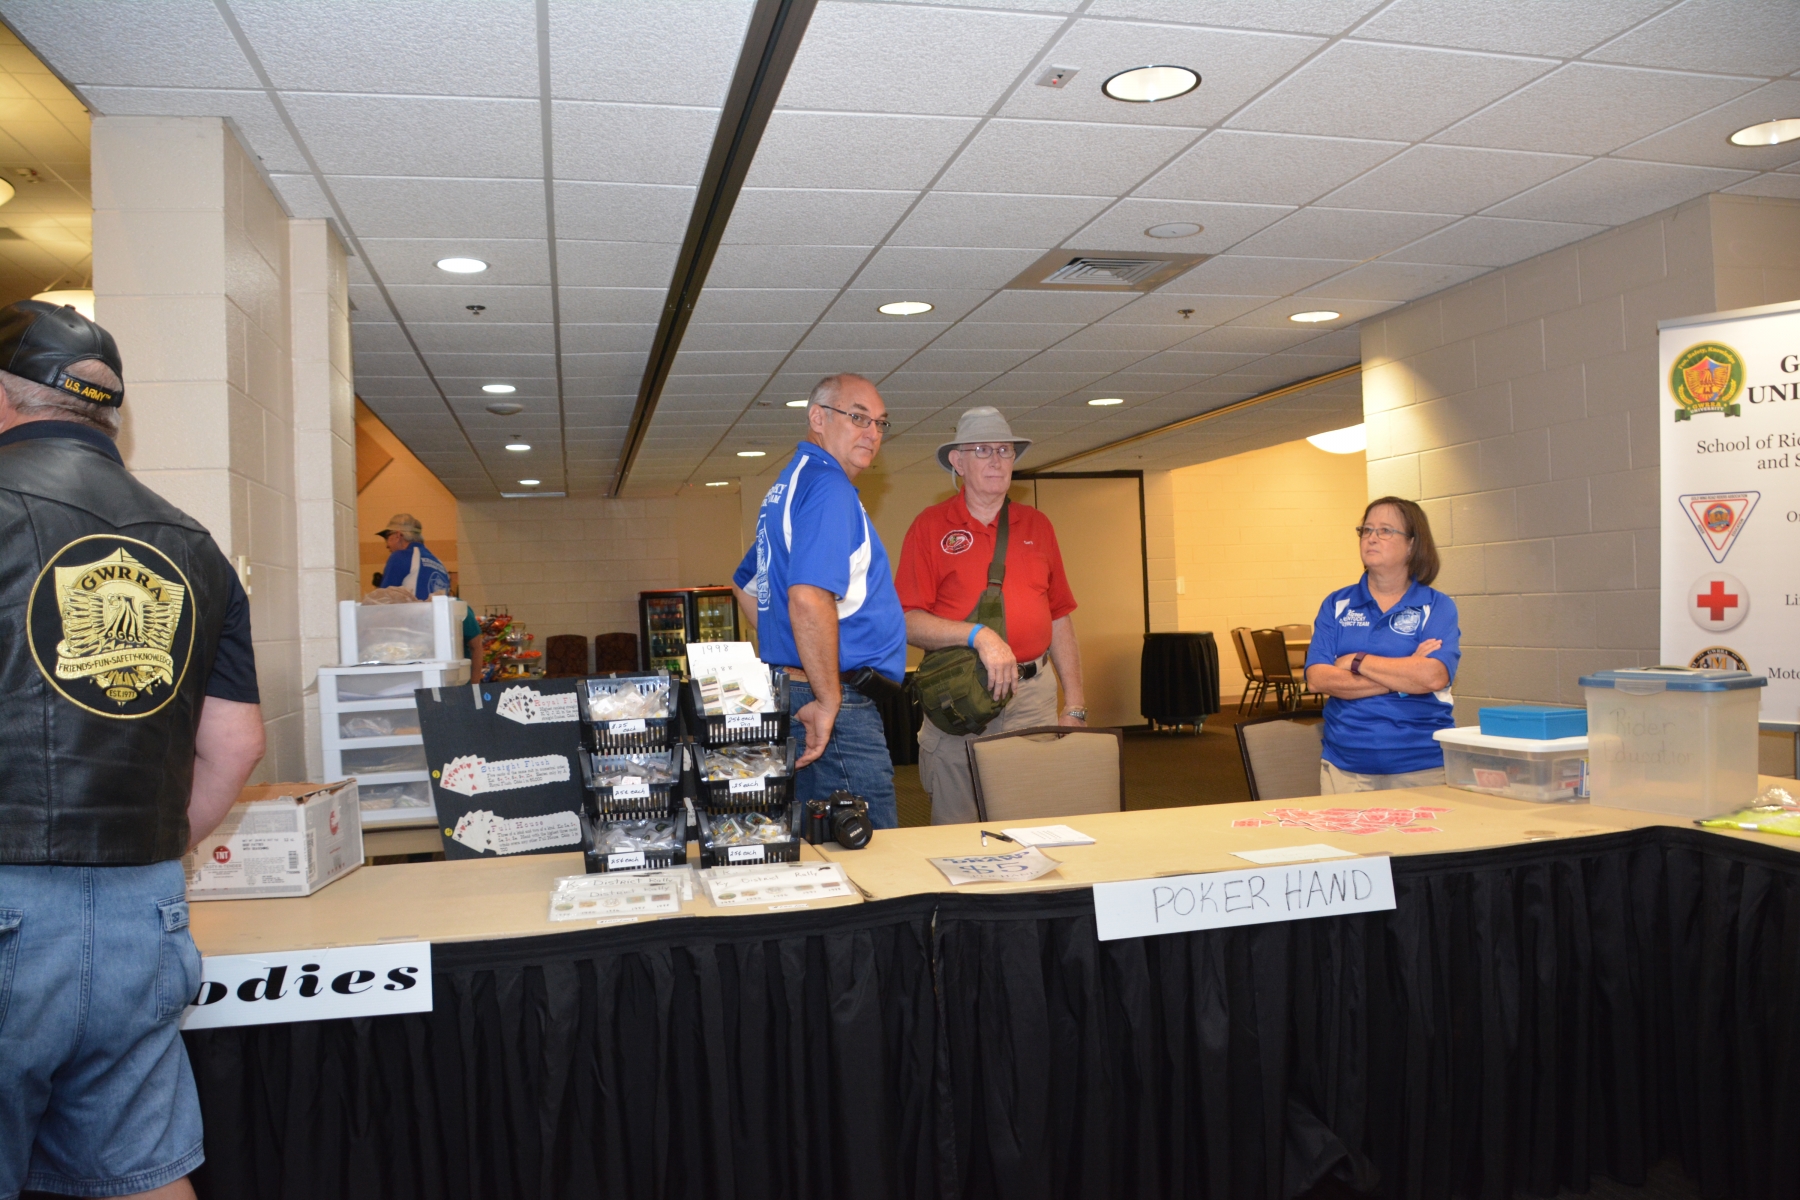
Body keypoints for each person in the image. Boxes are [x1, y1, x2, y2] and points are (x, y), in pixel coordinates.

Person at [0, 300, 267, 1200]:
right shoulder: (193, 545)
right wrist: (149, 844)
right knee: (138, 1177)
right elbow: (236, 746)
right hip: (142, 910)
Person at [730, 373, 907, 829]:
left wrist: (798, 661)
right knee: (871, 849)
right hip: (836, 700)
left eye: (881, 423)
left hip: (804, 689)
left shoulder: (791, 484)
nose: (872, 433)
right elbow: (808, 599)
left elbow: (747, 586)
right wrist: (827, 696)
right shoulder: (829, 486)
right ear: (818, 418)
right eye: (859, 418)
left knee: (820, 848)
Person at [895, 406, 1087, 824]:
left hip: (1032, 699)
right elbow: (906, 618)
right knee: (958, 827)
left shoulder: (1038, 525)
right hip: (960, 695)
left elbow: (1059, 616)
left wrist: (1075, 704)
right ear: (957, 462)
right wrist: (978, 635)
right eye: (982, 450)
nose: (997, 460)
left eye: (1004, 450)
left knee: (1033, 824)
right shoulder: (930, 527)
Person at [1303, 496, 1460, 793]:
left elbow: (1433, 677)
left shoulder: (1437, 606)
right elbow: (1318, 679)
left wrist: (1356, 661)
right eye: (1366, 530)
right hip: (1346, 763)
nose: (1371, 538)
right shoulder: (1337, 604)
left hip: (1421, 763)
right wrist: (1404, 677)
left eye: (1385, 531)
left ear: (1412, 544)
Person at [377, 512, 450, 599]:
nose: (387, 545)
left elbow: (382, 599)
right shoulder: (440, 565)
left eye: (387, 538)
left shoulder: (400, 557)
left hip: (414, 608)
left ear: (398, 535)